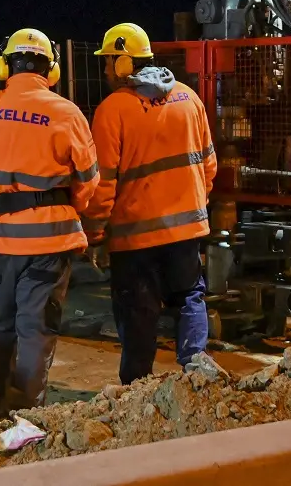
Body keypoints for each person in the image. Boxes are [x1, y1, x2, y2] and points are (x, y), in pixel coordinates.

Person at [0, 29, 100, 415]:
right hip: (48, 243)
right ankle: (25, 412)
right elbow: (89, 179)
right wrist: (65, 205)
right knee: (35, 329)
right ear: (51, 70)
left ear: (4, 65)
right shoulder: (66, 112)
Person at [85, 22, 217, 384]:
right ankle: (197, 372)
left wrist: (96, 233)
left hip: (136, 239)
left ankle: (137, 389)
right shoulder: (189, 98)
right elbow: (208, 164)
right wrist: (194, 206)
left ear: (123, 63)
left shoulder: (113, 111)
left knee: (139, 311)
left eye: (109, 61)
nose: (106, 69)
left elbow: (104, 183)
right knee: (190, 296)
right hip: (187, 230)